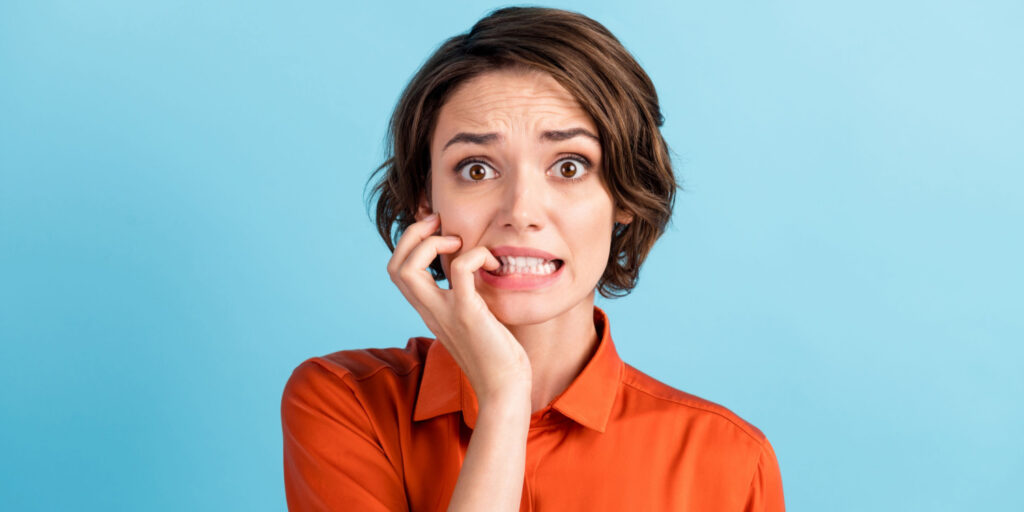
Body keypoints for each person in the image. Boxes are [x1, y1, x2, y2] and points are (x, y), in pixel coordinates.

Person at [281, 6, 784, 511]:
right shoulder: (346, 403)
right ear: (425, 201)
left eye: (569, 166)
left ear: (625, 196)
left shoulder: (730, 461)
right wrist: (503, 399)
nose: (520, 212)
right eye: (476, 170)